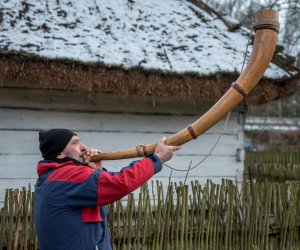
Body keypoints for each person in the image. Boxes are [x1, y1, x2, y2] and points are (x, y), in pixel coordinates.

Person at [34, 128, 180, 250]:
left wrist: (97, 172)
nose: (83, 147)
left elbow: (100, 206)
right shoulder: (67, 176)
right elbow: (121, 183)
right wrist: (156, 159)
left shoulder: (53, 177)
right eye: (76, 143)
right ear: (60, 153)